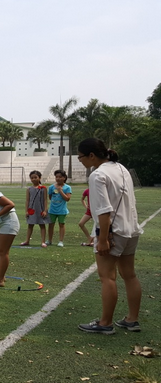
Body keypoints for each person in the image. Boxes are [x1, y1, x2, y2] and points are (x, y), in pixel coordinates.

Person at [77, 137, 143, 334]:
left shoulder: (97, 175)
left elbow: (104, 211)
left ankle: (105, 323)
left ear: (91, 155)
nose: (80, 160)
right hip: (131, 229)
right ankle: (132, 319)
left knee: (107, 277)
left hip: (113, 232)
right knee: (129, 275)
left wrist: (103, 238)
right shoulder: (121, 168)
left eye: (81, 156)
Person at [20, 170, 49, 248]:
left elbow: (45, 200)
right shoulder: (29, 189)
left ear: (39, 178)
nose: (33, 179)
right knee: (30, 225)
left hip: (41, 209)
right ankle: (27, 240)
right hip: (31, 209)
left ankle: (43, 241)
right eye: (32, 178)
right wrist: (26, 210)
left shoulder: (43, 188)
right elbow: (27, 200)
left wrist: (45, 210)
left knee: (42, 225)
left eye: (35, 177)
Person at [47, 169, 72, 247]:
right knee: (51, 225)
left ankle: (61, 241)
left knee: (61, 224)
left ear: (64, 178)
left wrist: (60, 191)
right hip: (52, 210)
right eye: (56, 177)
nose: (58, 178)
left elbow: (67, 199)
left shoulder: (67, 187)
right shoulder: (51, 187)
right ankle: (49, 240)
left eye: (60, 177)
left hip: (62, 210)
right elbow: (50, 197)